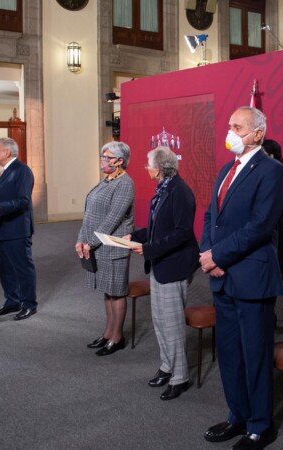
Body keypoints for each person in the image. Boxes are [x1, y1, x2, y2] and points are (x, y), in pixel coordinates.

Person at [200, 106, 283, 450]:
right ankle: (237, 416)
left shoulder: (272, 171)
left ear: (257, 133)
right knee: (230, 353)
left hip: (251, 278)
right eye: (229, 124)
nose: (230, 131)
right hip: (221, 277)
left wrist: (218, 256)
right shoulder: (226, 169)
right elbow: (212, 217)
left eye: (237, 127)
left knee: (256, 355)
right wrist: (209, 256)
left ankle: (260, 425)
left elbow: (260, 225)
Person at [125, 147, 199, 400]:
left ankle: (180, 377)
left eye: (147, 164)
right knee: (160, 320)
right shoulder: (165, 188)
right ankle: (167, 367)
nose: (145, 167)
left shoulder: (180, 192)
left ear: (158, 168)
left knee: (173, 324)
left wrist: (147, 248)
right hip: (160, 263)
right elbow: (158, 227)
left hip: (174, 265)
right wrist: (134, 237)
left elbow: (181, 233)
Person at [76, 141, 135, 357]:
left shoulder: (125, 184)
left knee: (117, 292)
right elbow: (89, 213)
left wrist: (91, 242)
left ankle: (117, 337)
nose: (103, 161)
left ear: (120, 161)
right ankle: (107, 332)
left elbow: (112, 218)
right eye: (103, 157)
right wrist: (80, 238)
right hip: (98, 245)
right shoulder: (106, 181)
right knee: (108, 291)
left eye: (107, 158)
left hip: (113, 245)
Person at [0, 137, 37, 321]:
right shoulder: (4, 171)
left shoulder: (22, 171)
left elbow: (23, 201)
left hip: (17, 230)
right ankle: (12, 302)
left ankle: (29, 304)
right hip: (3, 228)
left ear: (7, 152)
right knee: (6, 269)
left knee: (22, 268)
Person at [262, 139, 283, 273]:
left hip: (275, 226)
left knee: (272, 271)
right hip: (271, 225)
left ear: (271, 155)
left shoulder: (276, 173)